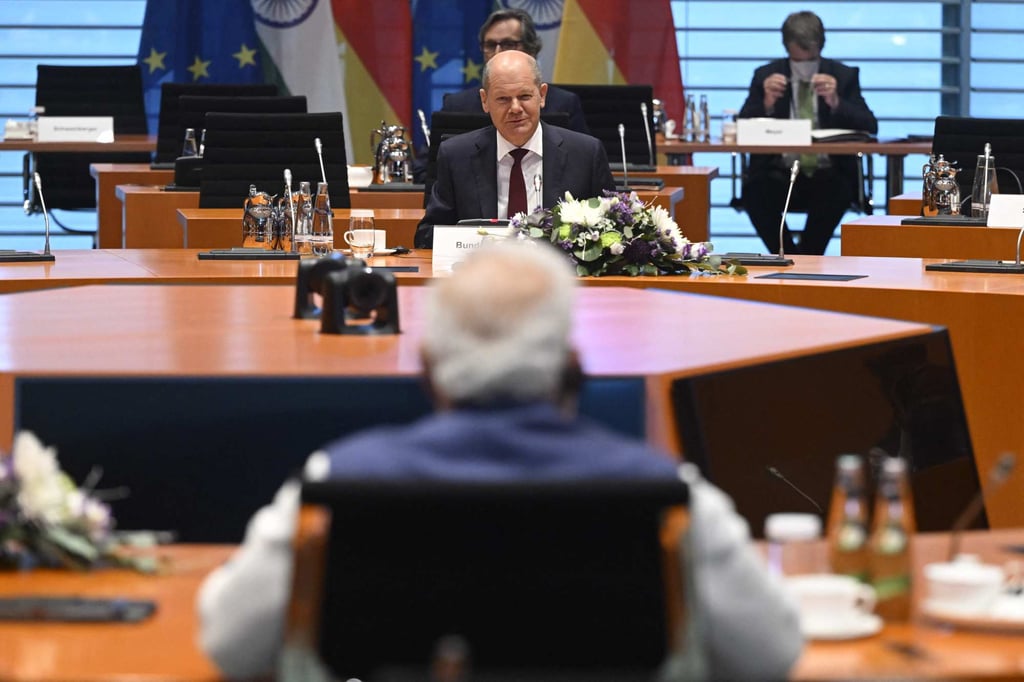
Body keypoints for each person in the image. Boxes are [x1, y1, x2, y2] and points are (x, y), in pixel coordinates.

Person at [196, 240, 803, 681]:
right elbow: (770, 652)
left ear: (429, 372)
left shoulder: (335, 483)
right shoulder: (671, 495)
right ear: (575, 370)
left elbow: (229, 643)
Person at [415, 50, 615, 248]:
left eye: (525, 96)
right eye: (503, 99)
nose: (516, 108)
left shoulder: (586, 154)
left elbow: (613, 231)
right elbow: (428, 235)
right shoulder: (456, 156)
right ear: (485, 101)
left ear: (542, 95)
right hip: (485, 273)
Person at [739, 11, 878, 255]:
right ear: (787, 47)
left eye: (810, 61)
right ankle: (793, 256)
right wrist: (767, 103)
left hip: (827, 173)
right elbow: (742, 125)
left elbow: (870, 124)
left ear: (821, 46)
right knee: (754, 193)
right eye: (798, 62)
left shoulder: (844, 75)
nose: (804, 68)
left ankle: (805, 257)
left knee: (838, 191)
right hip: (779, 172)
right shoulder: (765, 75)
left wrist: (836, 101)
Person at [441, 7, 589, 136]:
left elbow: (583, 160)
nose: (498, 51)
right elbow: (427, 166)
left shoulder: (564, 104)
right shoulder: (457, 105)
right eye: (491, 45)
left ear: (531, 49)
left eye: (508, 44)